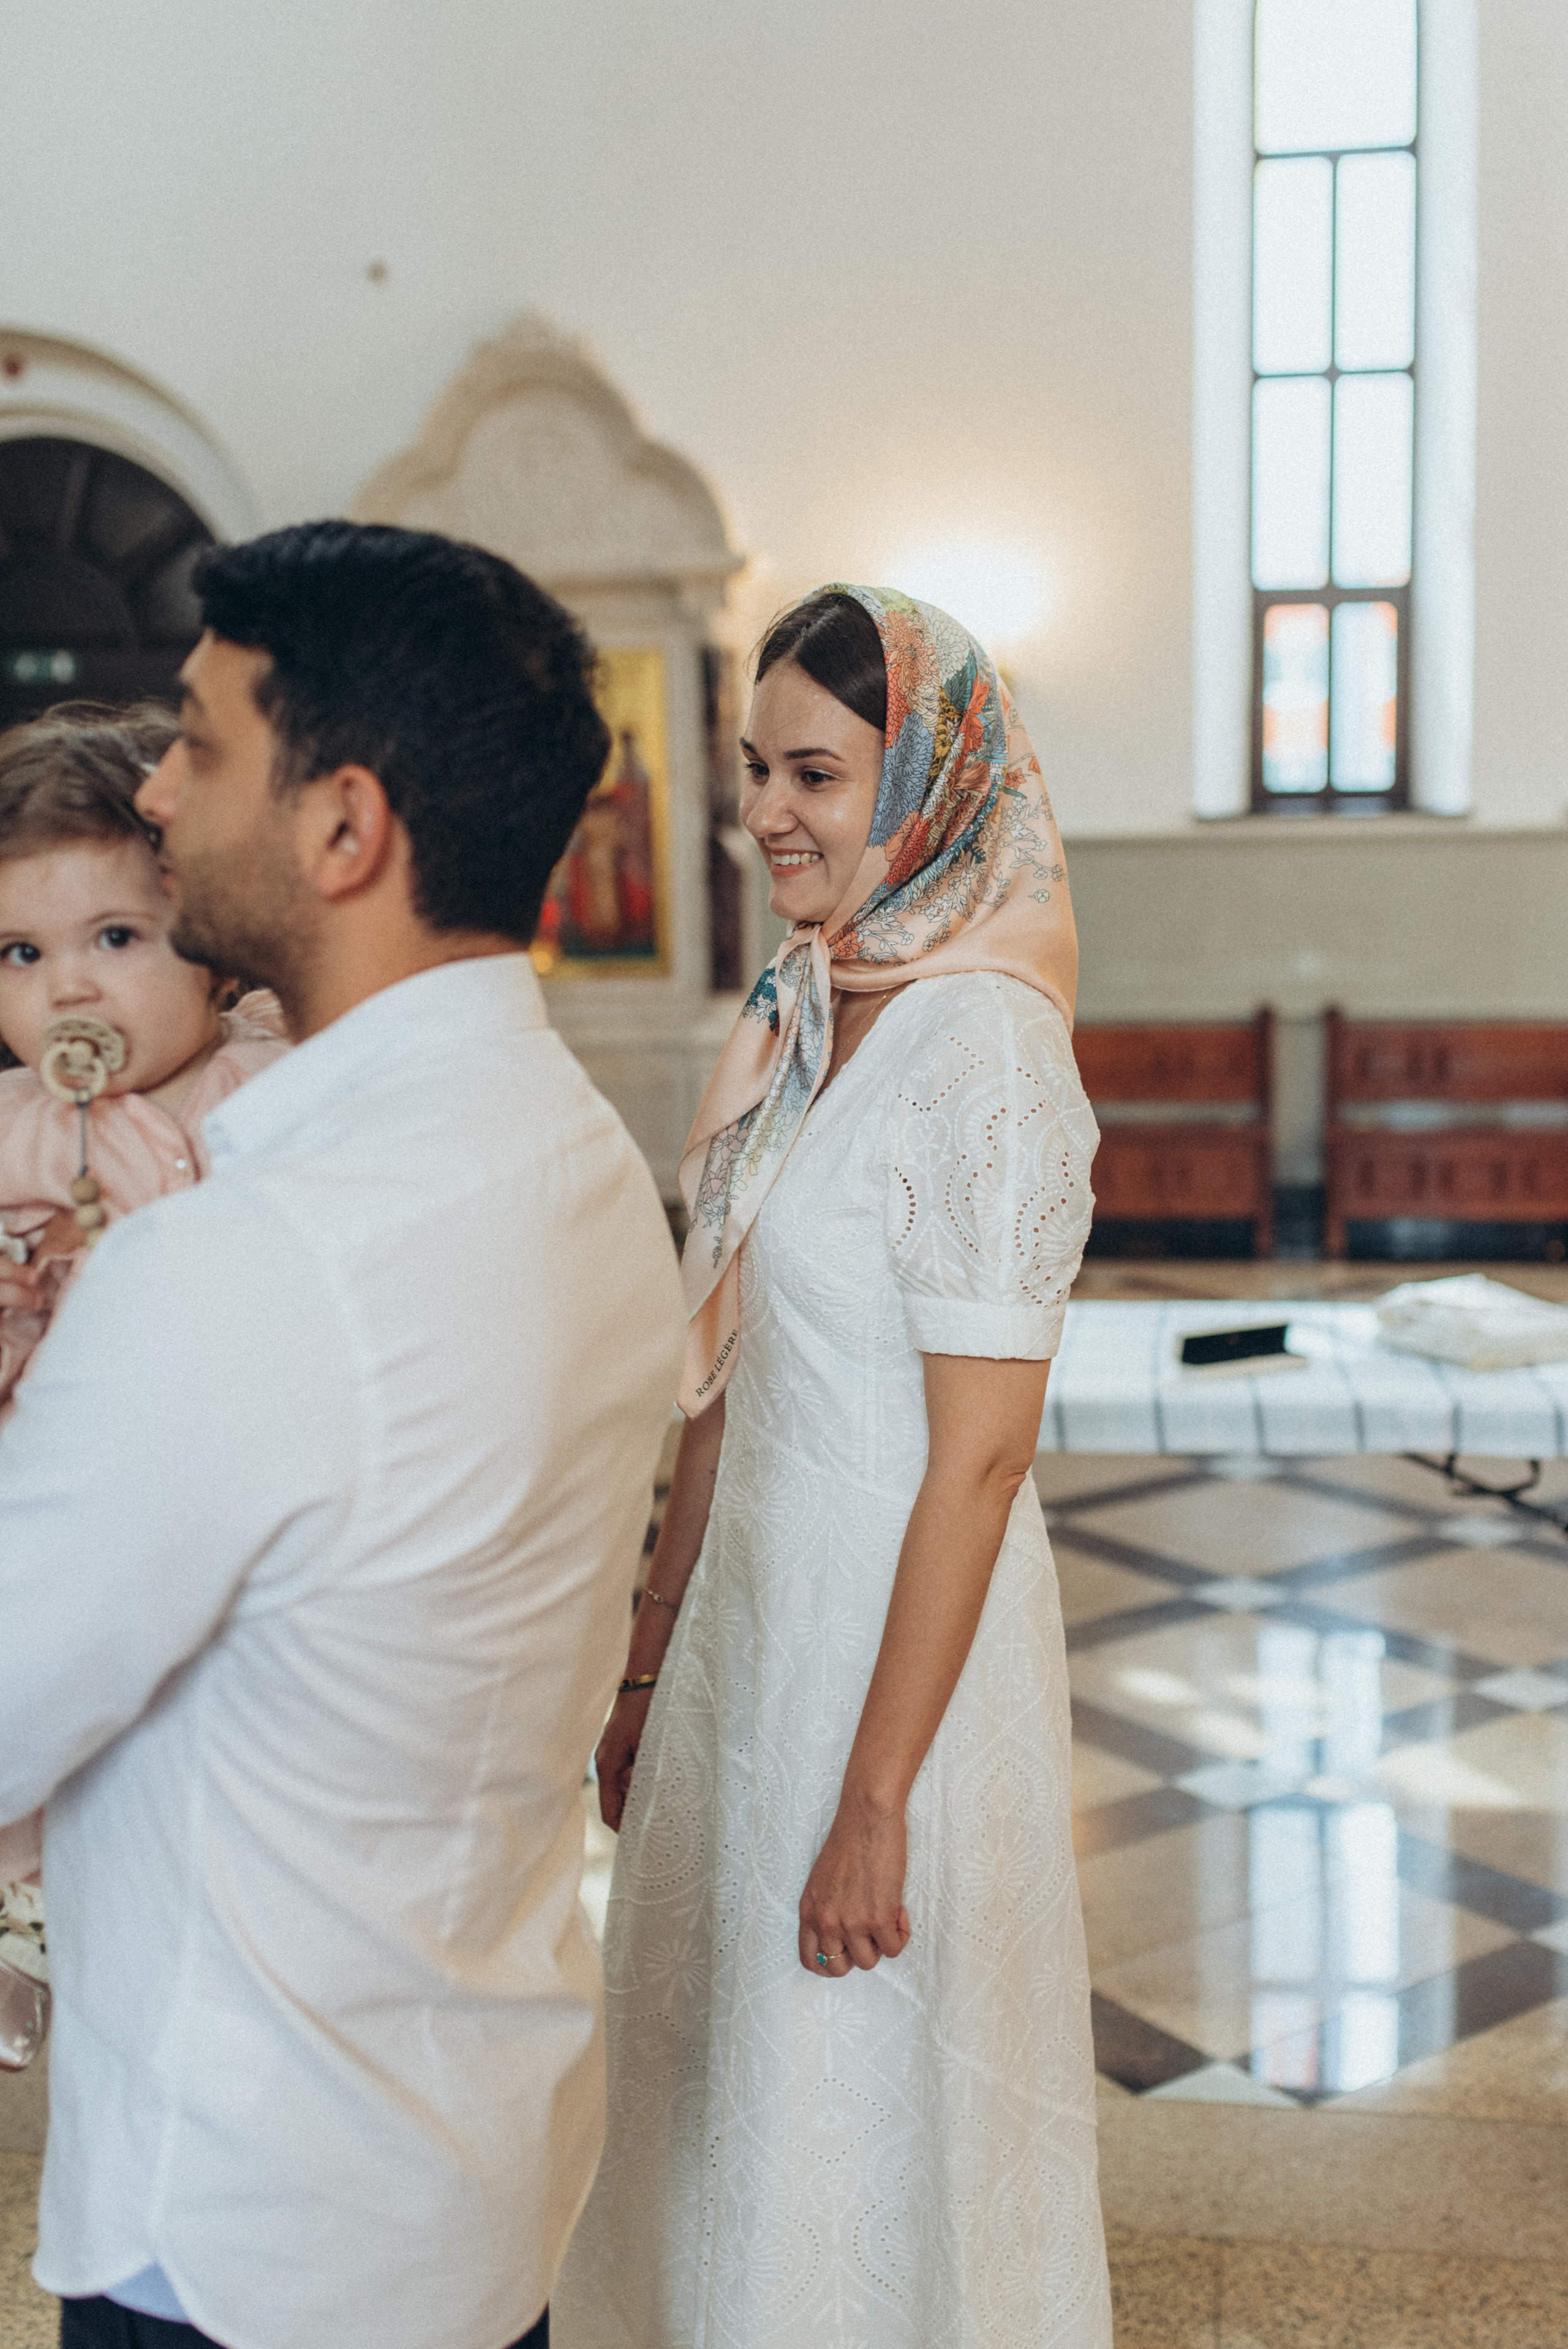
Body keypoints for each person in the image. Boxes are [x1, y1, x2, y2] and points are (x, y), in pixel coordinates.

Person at [0, 521, 687, 2349]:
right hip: (470, 2160)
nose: (156, 791)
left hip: (243, 2217)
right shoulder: (582, 1164)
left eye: (202, 744)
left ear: (345, 828)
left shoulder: (244, 1262)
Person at [554, 587, 1112, 2349]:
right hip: (755, 1619)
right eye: (753, 768)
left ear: (927, 781)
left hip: (896, 1645)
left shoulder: (984, 1046)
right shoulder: (814, 1001)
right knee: (721, 2079)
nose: (765, 811)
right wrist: (652, 1655)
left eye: (816, 772)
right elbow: (727, 1372)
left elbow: (984, 1459)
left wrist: (877, 1801)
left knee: (854, 2076)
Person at [0, 702, 290, 2072]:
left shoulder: (263, 1099)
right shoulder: (16, 1132)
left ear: (213, 943)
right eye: (22, 952)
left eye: (115, 938)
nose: (68, 988)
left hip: (211, 1527)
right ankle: (22, 1917)